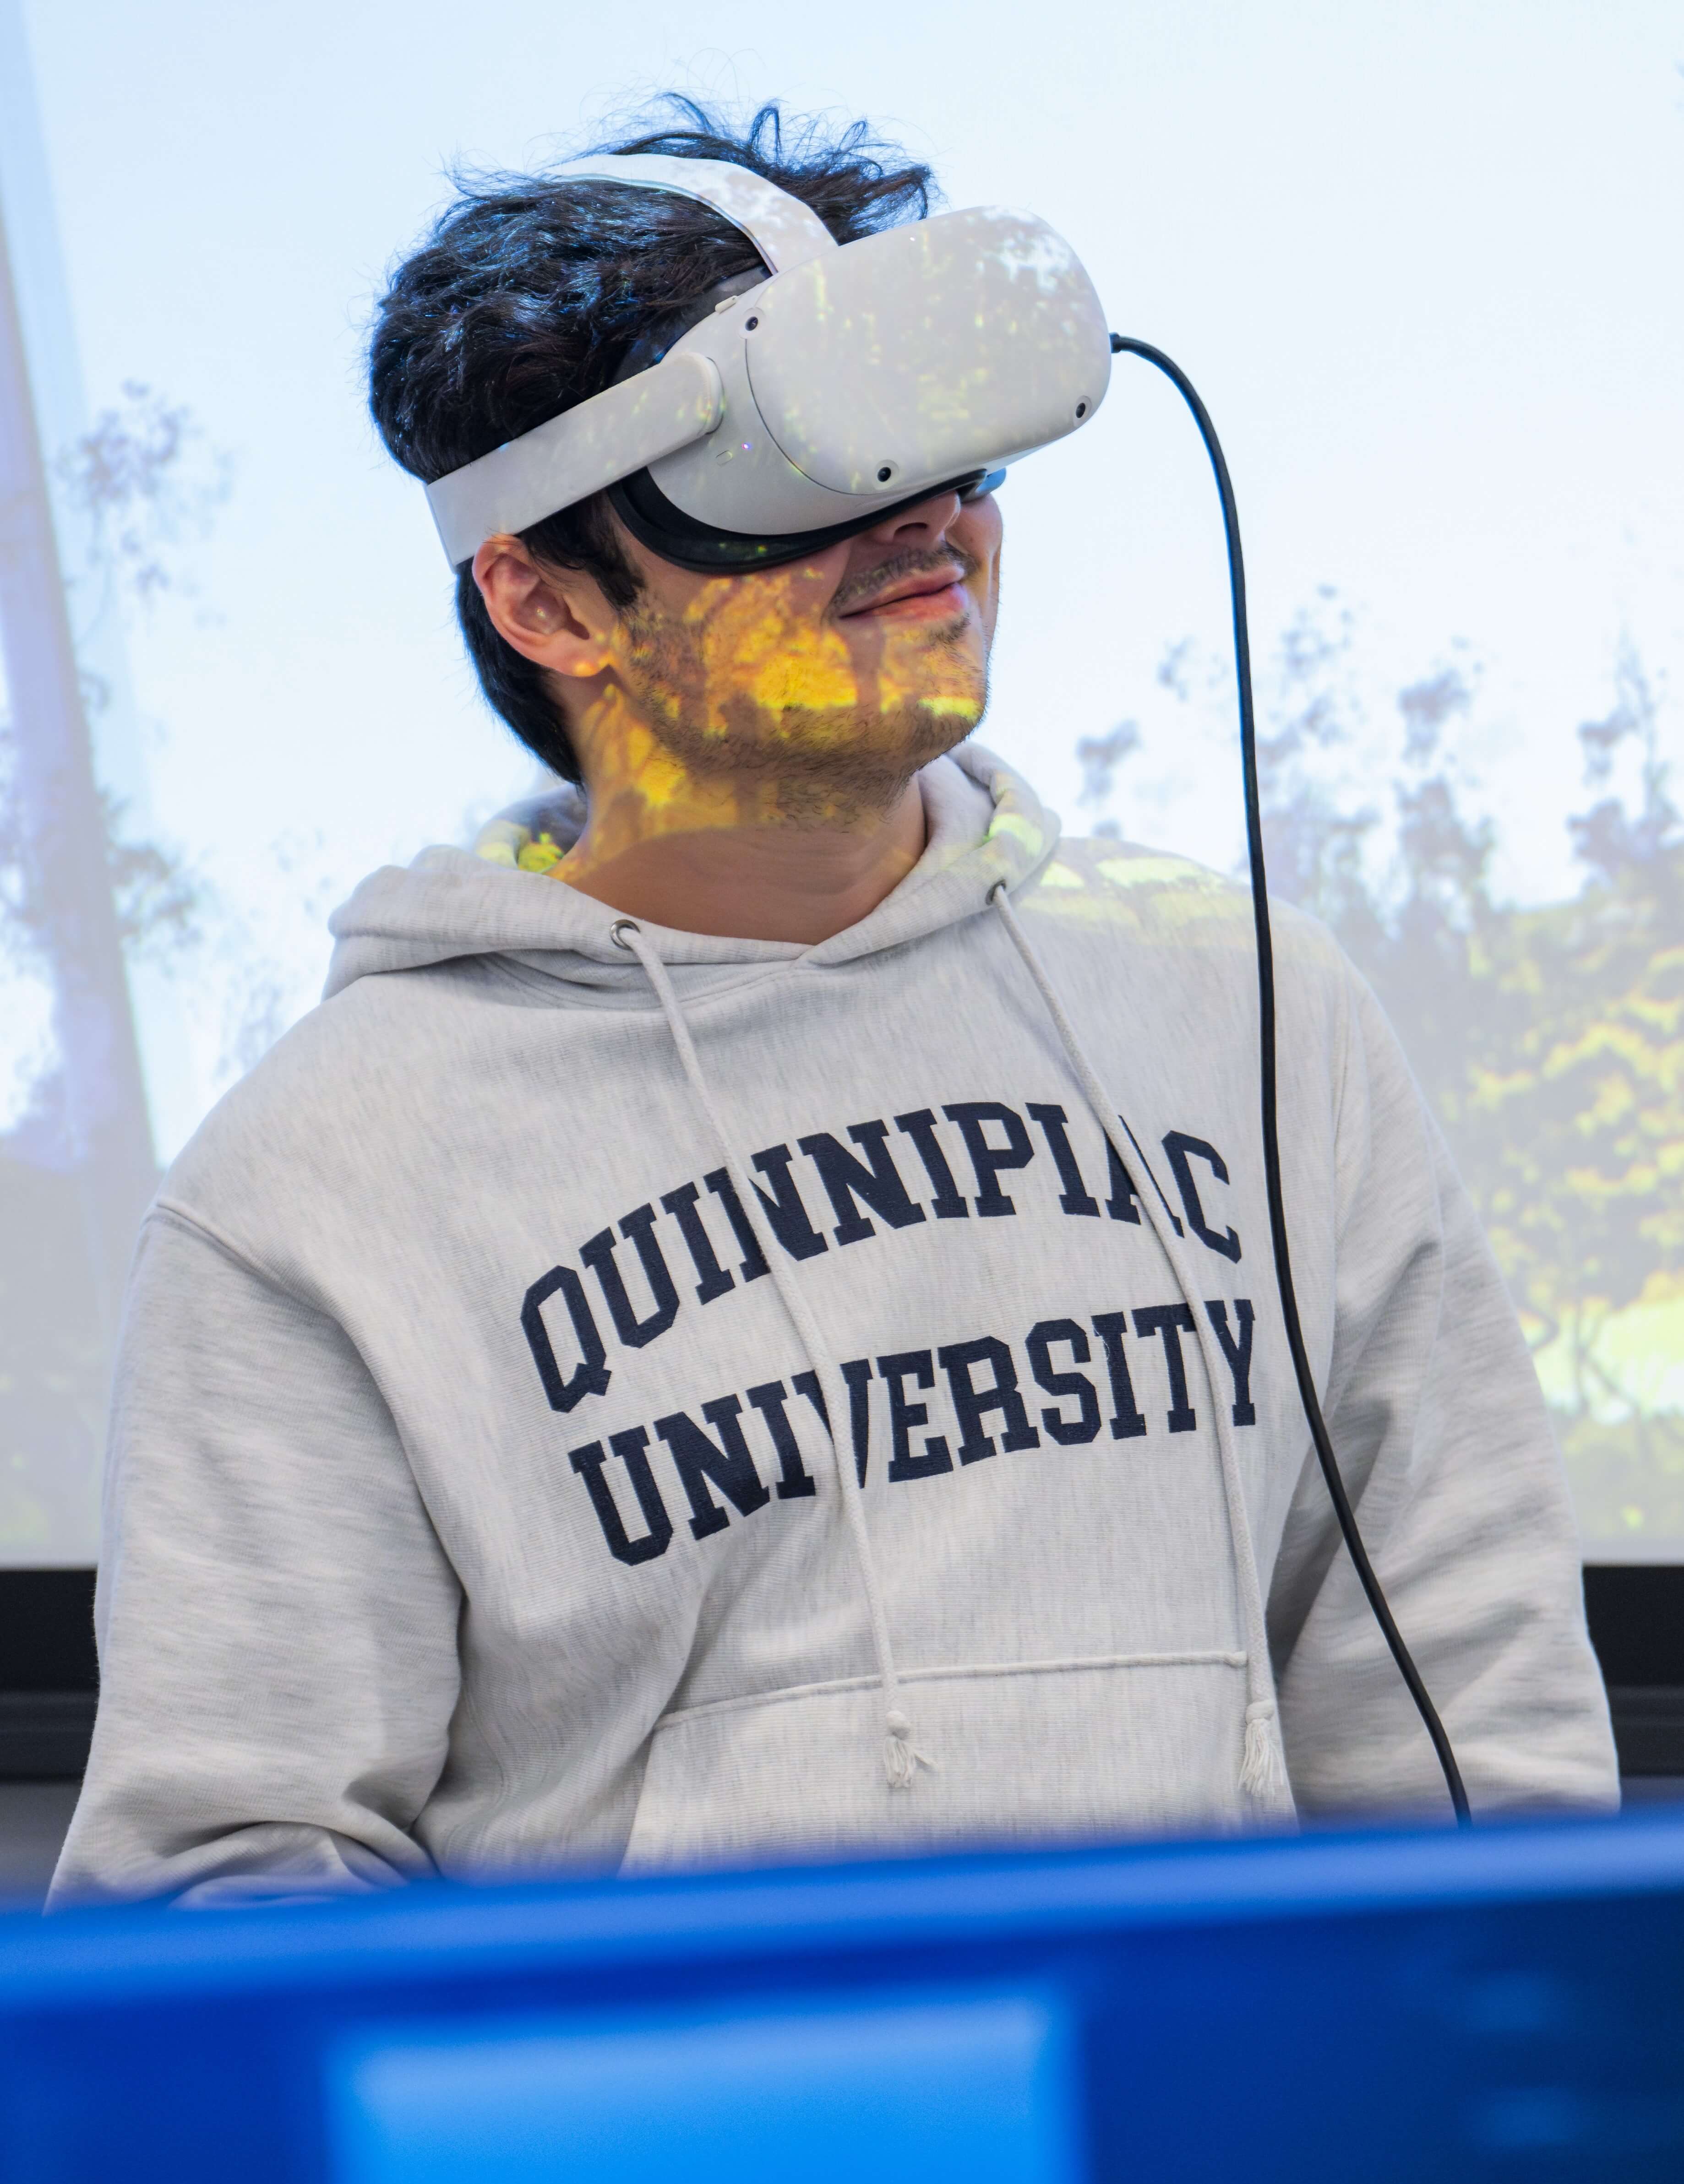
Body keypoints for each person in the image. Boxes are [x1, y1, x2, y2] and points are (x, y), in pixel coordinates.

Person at [50, 101, 1616, 1906]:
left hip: (1223, 2147)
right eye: (794, 473)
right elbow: (232, 1879)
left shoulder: (1247, 1006)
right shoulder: (314, 1186)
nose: (926, 516)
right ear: (547, 598)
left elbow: (1462, 1717)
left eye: (939, 445)